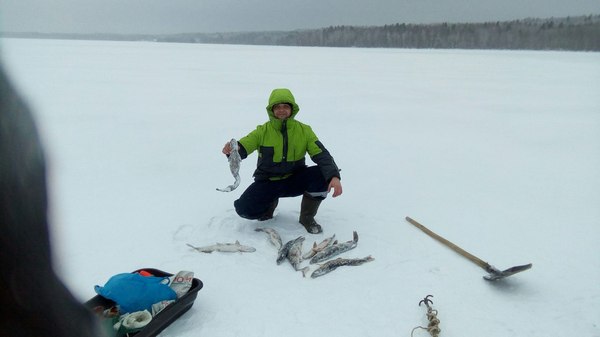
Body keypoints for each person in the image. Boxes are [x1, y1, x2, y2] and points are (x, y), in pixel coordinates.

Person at [222, 88, 342, 234]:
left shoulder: (304, 130)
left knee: (322, 173)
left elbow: (322, 155)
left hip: (295, 180)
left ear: (292, 109)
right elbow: (243, 147)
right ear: (271, 110)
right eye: (277, 107)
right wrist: (232, 150)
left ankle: (307, 217)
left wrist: (334, 176)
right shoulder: (262, 131)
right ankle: (268, 206)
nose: (281, 110)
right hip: (268, 182)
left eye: (285, 106)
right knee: (244, 209)